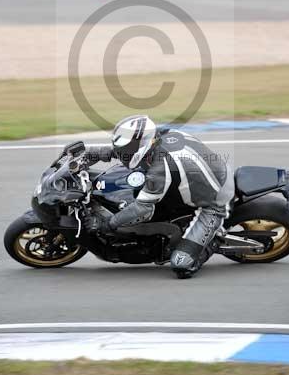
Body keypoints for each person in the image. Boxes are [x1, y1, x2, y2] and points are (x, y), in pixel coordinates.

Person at [80, 115, 234, 279]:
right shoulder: (159, 135)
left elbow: (142, 208)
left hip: (214, 202)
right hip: (205, 177)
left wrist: (108, 224)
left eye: (126, 150)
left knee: (181, 265)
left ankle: (213, 240)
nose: (123, 153)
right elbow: (128, 151)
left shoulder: (160, 169)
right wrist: (93, 153)